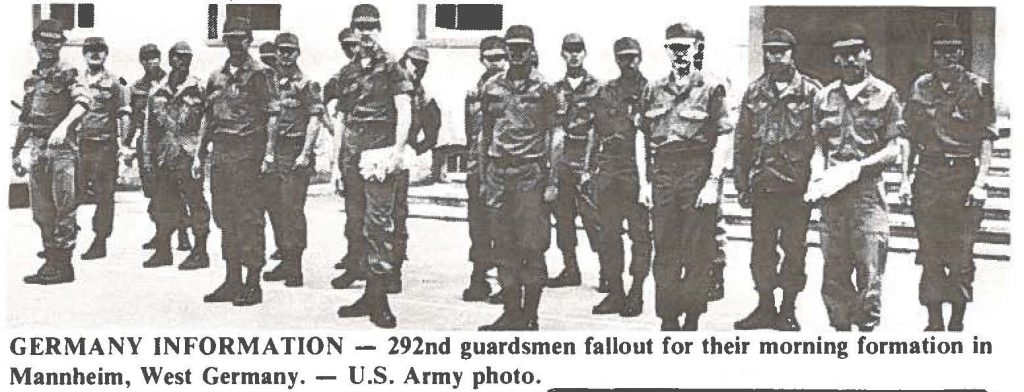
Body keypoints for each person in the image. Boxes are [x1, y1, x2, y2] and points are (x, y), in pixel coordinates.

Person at [806, 23, 907, 332]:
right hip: (833, 194)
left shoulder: (886, 95)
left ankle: (866, 330)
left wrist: (858, 169)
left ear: (867, 55)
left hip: (866, 193)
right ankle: (840, 332)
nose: (849, 60)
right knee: (834, 269)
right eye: (843, 55)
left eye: (855, 54)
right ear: (836, 59)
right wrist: (817, 176)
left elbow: (895, 147)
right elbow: (818, 145)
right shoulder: (824, 97)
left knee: (870, 265)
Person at [638, 23, 731, 331]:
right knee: (664, 249)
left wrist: (713, 181)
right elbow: (642, 136)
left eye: (686, 46)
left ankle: (691, 317)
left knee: (697, 250)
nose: (680, 53)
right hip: (663, 173)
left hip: (697, 172)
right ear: (667, 50)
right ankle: (667, 317)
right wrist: (644, 183)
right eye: (674, 47)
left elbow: (723, 136)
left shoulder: (712, 87)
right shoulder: (653, 89)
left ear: (696, 49)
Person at [904, 23, 996, 332]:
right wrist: (905, 178)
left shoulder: (979, 88)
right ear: (932, 55)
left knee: (961, 254)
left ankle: (956, 323)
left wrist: (981, 181)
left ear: (962, 52)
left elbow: (986, 137)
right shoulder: (920, 88)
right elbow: (909, 136)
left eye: (954, 50)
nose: (948, 57)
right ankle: (934, 322)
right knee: (929, 252)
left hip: (963, 178)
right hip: (928, 176)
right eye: (941, 50)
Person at [331, 4, 415, 329]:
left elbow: (403, 108)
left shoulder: (392, 67)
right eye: (360, 26)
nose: (365, 32)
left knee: (379, 226)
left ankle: (380, 300)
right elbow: (340, 117)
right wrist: (336, 164)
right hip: (352, 156)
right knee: (357, 226)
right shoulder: (348, 72)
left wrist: (396, 150)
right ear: (352, 30)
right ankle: (367, 294)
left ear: (379, 29)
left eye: (371, 26)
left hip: (378, 155)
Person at [733, 28, 821, 331]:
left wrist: (817, 185)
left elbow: (820, 142)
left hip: (796, 188)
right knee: (762, 250)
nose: (775, 57)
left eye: (781, 51)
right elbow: (742, 140)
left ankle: (788, 309)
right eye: (770, 51)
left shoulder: (812, 92)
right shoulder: (754, 92)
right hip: (763, 186)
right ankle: (765, 306)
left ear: (792, 53)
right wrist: (741, 183)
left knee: (795, 250)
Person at [477, 24, 562, 331]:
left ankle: (531, 315)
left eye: (523, 47)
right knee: (503, 245)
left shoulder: (544, 89)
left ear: (532, 50)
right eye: (512, 46)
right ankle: (511, 311)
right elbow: (484, 135)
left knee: (532, 246)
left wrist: (553, 181)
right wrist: (484, 176)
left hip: (530, 174)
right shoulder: (491, 87)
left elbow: (556, 134)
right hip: (499, 174)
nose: (517, 52)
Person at [192, 17, 278, 306]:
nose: (235, 43)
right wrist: (199, 153)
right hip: (222, 156)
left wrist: (268, 153)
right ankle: (232, 280)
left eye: (240, 38)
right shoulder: (216, 76)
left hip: (248, 154)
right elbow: (208, 117)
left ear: (249, 40)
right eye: (229, 38)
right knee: (225, 218)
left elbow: (273, 115)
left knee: (250, 218)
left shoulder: (261, 74)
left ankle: (253, 283)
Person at [13, 20, 89, 284]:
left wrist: (63, 128)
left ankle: (64, 265)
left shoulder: (68, 72)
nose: (48, 46)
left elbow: (82, 103)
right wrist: (16, 151)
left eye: (54, 41)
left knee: (64, 206)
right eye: (43, 41)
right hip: (37, 147)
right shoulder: (32, 80)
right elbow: (26, 119)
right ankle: (50, 260)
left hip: (61, 149)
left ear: (62, 44)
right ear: (35, 43)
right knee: (40, 209)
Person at [586, 36, 652, 317]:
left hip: (636, 172)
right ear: (616, 59)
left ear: (640, 57)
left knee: (640, 235)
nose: (630, 62)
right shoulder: (605, 92)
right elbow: (596, 131)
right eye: (624, 56)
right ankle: (615, 291)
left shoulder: (651, 91)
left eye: (634, 56)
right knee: (608, 235)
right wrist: (589, 169)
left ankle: (636, 291)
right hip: (610, 171)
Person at [140, 41, 211, 270]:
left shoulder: (199, 88)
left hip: (189, 154)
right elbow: (149, 128)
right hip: (164, 155)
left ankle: (200, 251)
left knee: (195, 202)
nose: (182, 62)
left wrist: (201, 155)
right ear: (170, 59)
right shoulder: (157, 90)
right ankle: (163, 251)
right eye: (177, 57)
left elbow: (206, 124)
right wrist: (148, 158)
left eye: (187, 58)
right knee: (163, 203)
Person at [262, 33, 325, 287]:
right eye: (281, 50)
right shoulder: (267, 82)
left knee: (292, 209)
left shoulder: (306, 84)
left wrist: (305, 153)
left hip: (294, 151)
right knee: (273, 208)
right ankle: (285, 259)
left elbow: (314, 119)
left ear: (298, 53)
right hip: (271, 153)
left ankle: (295, 267)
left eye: (290, 51)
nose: (285, 55)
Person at [546, 33, 603, 290]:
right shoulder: (555, 90)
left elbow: (600, 128)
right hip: (562, 158)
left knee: (594, 218)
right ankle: (571, 269)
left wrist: (592, 166)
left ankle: (607, 272)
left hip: (587, 158)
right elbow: (551, 128)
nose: (574, 54)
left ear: (585, 52)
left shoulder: (598, 88)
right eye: (569, 50)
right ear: (562, 53)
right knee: (563, 217)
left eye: (578, 49)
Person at [387, 45, 441, 294]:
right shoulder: (389, 81)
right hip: (378, 153)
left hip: (400, 160)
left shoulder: (421, 92)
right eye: (414, 62)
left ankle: (393, 271)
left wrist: (419, 147)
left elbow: (432, 119)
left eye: (423, 65)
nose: (418, 68)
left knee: (397, 215)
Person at [76, 36, 131, 261]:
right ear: (84, 53)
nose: (95, 54)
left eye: (100, 50)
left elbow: (124, 114)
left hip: (104, 146)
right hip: (79, 144)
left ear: (106, 54)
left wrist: (124, 144)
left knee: (103, 195)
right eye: (90, 50)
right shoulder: (76, 80)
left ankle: (100, 241)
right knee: (71, 192)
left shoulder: (117, 82)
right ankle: (62, 240)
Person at [461, 36, 507, 303]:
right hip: (476, 169)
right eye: (490, 58)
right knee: (478, 228)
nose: (496, 62)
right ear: (482, 59)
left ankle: (506, 283)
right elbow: (472, 135)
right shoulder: (474, 92)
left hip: (502, 170)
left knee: (503, 229)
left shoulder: (512, 91)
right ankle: (479, 279)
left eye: (500, 57)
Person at [327, 27, 363, 270]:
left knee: (376, 214)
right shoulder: (344, 74)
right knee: (354, 210)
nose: (352, 49)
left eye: (354, 43)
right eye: (346, 45)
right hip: (351, 149)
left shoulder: (383, 69)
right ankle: (354, 258)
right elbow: (324, 98)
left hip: (374, 148)